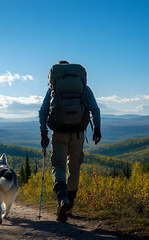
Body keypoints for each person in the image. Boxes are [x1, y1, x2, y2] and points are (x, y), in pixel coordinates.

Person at [39, 60, 101, 222]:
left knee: (58, 166)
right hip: (78, 134)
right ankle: (70, 206)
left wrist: (43, 132)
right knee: (74, 169)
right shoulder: (84, 89)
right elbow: (95, 109)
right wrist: (97, 128)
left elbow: (43, 110)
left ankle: (62, 199)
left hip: (59, 133)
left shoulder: (53, 90)